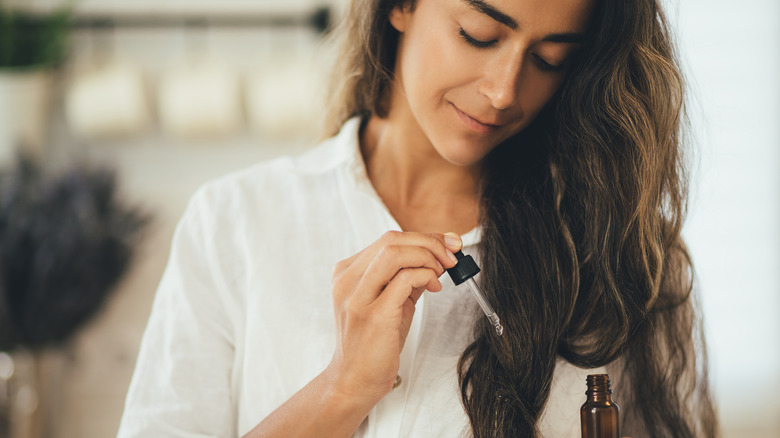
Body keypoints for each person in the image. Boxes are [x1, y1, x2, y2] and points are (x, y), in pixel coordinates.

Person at [117, 0, 719, 436]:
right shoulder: (236, 222)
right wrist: (342, 389)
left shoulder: (625, 259)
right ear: (400, 6)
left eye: (551, 59)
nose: (506, 90)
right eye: (479, 34)